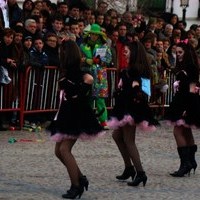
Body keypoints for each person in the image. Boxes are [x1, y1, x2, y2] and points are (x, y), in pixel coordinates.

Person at [46, 40, 104, 199]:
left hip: (76, 116)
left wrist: (74, 84)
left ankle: (76, 186)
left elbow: (85, 84)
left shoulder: (77, 74)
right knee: (58, 151)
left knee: (64, 150)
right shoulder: (66, 73)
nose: (59, 54)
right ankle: (80, 178)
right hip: (66, 114)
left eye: (61, 52)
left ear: (66, 54)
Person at [107, 41, 158, 187]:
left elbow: (140, 89)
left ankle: (140, 173)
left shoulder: (136, 69)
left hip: (131, 107)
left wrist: (134, 89)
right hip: (126, 105)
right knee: (117, 136)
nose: (124, 52)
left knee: (129, 140)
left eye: (127, 50)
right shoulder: (130, 68)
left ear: (134, 52)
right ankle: (129, 168)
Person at [165, 41, 200, 177]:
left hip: (186, 102)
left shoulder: (191, 67)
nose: (178, 55)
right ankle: (191, 161)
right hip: (182, 100)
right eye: (177, 52)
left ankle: (185, 164)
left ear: (186, 53)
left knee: (177, 132)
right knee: (186, 131)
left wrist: (188, 107)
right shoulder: (185, 66)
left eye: (180, 52)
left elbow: (192, 89)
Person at [80, 23, 112, 129]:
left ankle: (103, 122)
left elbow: (108, 59)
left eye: (96, 34)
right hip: (87, 75)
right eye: (92, 34)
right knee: (87, 99)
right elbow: (79, 58)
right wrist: (85, 60)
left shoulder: (104, 46)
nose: (94, 36)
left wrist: (97, 61)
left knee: (100, 100)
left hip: (99, 77)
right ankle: (87, 120)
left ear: (99, 35)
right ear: (89, 34)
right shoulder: (83, 46)